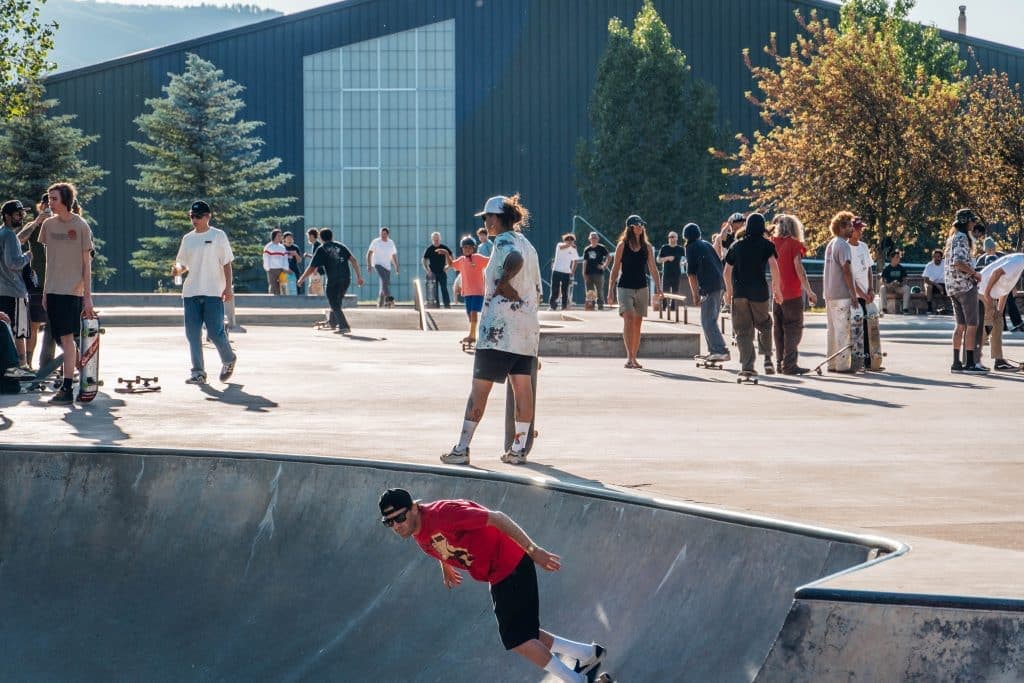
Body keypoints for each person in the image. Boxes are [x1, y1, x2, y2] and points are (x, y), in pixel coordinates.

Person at [379, 489, 607, 683]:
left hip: (510, 563)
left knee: (517, 639)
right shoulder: (417, 531)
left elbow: (497, 517)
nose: (397, 526)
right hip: (497, 572)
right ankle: (587, 653)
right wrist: (445, 565)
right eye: (389, 522)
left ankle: (577, 680)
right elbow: (438, 542)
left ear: (414, 508)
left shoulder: (444, 514)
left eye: (400, 519)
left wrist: (533, 550)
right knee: (524, 632)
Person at [442, 194, 541, 466]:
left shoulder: (504, 243)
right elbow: (537, 289)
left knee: (479, 390)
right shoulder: (528, 245)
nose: (486, 222)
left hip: (498, 330)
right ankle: (518, 449)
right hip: (526, 330)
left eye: (487, 218)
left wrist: (505, 282)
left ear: (496, 218)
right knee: (523, 387)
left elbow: (514, 260)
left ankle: (462, 448)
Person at [39, 182, 95, 404]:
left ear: (65, 200)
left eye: (54, 198)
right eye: (49, 198)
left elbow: (86, 264)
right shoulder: (48, 226)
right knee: (60, 338)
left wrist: (87, 296)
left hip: (72, 291)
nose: (50, 202)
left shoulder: (81, 226)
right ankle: (82, 366)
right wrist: (45, 291)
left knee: (66, 338)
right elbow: (48, 262)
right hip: (52, 290)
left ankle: (67, 388)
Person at [170, 200, 237, 385]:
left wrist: (228, 287)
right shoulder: (188, 239)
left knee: (215, 332)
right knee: (192, 334)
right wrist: (177, 270)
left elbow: (226, 263)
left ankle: (228, 358)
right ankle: (198, 372)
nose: (195, 219)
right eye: (192, 216)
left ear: (208, 217)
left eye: (198, 216)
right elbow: (182, 263)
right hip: (191, 291)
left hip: (213, 290)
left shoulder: (218, 235)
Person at [723, 213, 782, 376]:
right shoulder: (767, 245)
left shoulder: (737, 245)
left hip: (740, 293)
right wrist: (777, 289)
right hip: (760, 293)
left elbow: (726, 271)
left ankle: (747, 366)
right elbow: (774, 267)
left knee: (743, 330)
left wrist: (729, 292)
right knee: (764, 325)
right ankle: (768, 360)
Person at [607, 215, 661, 369]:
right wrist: (610, 290)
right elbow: (615, 268)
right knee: (628, 319)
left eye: (642, 225)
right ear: (631, 227)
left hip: (642, 288)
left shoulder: (647, 247)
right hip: (624, 287)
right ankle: (629, 357)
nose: (641, 227)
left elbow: (653, 268)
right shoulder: (622, 246)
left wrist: (658, 286)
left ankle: (634, 357)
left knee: (638, 323)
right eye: (638, 225)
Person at [770, 214, 817, 374]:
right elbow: (798, 267)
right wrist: (809, 291)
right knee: (793, 328)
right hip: (792, 294)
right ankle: (790, 364)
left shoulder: (772, 243)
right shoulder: (795, 244)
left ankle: (779, 363)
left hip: (777, 294)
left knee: (779, 329)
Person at [297, 228, 363, 334]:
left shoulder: (321, 248)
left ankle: (344, 326)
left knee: (333, 301)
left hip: (333, 280)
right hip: (346, 279)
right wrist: (359, 277)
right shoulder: (341, 246)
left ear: (321, 238)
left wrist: (302, 278)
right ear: (332, 237)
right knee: (337, 300)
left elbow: (311, 267)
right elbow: (353, 260)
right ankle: (333, 323)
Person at [944, 208, 985, 373]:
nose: (974, 223)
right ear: (966, 221)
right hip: (965, 286)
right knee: (972, 325)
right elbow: (958, 262)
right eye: (972, 220)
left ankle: (956, 363)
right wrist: (975, 274)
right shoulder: (962, 238)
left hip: (952, 287)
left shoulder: (952, 238)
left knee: (960, 325)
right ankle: (969, 363)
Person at [683, 223, 729, 362]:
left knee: (707, 321)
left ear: (685, 237)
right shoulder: (706, 244)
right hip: (720, 284)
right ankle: (713, 351)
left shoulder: (690, 247)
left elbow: (691, 273)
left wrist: (695, 295)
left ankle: (720, 350)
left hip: (710, 286)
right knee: (710, 320)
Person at [822, 211, 859, 373]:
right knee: (843, 330)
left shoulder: (831, 244)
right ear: (842, 227)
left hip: (829, 293)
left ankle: (831, 363)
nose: (852, 229)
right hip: (841, 294)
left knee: (832, 330)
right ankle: (843, 365)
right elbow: (846, 270)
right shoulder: (843, 245)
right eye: (850, 225)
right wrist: (853, 293)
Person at [0, 200, 32, 370]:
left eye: (23, 213)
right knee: (20, 330)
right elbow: (12, 263)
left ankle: (10, 365)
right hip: (15, 291)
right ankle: (21, 366)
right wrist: (27, 257)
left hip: (2, 290)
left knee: (6, 329)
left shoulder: (1, 233)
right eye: (18, 214)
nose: (21, 217)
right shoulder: (10, 235)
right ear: (7, 216)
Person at [979, 252, 1024, 371]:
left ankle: (999, 361)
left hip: (990, 293)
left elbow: (1005, 289)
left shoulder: (1020, 266)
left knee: (998, 323)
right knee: (988, 324)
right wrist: (988, 294)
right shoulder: (1019, 261)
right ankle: (973, 355)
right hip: (983, 291)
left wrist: (1000, 311)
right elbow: (996, 272)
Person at [446, 236, 490, 345]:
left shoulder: (478, 258)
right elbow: (451, 264)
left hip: (478, 292)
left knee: (473, 313)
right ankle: (473, 334)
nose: (467, 250)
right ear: (462, 249)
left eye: (469, 248)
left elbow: (490, 261)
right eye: (465, 248)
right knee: (469, 315)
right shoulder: (461, 260)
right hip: (467, 292)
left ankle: (472, 335)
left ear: (473, 248)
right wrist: (446, 254)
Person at [848, 217, 878, 369]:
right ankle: (858, 360)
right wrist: (862, 294)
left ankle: (870, 360)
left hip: (867, 293)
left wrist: (871, 289)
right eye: (858, 229)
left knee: (870, 328)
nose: (860, 232)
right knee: (858, 329)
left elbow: (869, 269)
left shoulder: (864, 247)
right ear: (850, 230)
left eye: (861, 229)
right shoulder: (846, 248)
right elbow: (850, 277)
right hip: (856, 295)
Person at [367, 226, 399, 307]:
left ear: (388, 234)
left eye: (384, 234)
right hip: (377, 264)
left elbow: (393, 255)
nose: (382, 235)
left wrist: (396, 267)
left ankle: (380, 303)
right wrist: (369, 265)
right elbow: (369, 253)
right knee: (384, 280)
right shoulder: (376, 242)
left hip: (387, 266)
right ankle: (388, 299)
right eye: (381, 233)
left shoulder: (391, 242)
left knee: (385, 284)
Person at [422, 231, 453, 309]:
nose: (436, 240)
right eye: (435, 239)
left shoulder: (444, 248)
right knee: (434, 291)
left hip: (442, 272)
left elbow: (451, 256)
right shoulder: (429, 248)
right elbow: (424, 259)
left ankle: (447, 305)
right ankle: (436, 306)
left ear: (440, 239)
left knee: (444, 289)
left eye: (437, 239)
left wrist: (448, 266)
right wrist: (427, 270)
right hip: (432, 273)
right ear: (432, 239)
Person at [657, 231, 685, 311]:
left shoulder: (680, 249)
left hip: (677, 273)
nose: (671, 238)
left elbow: (685, 259)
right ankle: (664, 306)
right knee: (665, 291)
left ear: (677, 238)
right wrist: (667, 258)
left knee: (675, 291)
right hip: (666, 273)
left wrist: (684, 263)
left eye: (673, 237)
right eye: (670, 237)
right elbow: (658, 259)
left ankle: (673, 307)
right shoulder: (664, 247)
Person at [549, 234, 579, 310]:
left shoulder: (573, 249)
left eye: (571, 240)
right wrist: (570, 245)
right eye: (567, 239)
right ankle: (553, 306)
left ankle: (564, 307)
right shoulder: (559, 245)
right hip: (557, 270)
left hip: (566, 272)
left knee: (565, 291)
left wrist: (572, 271)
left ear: (573, 241)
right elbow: (563, 247)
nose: (569, 241)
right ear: (564, 240)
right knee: (555, 289)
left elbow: (575, 260)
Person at [581, 232, 609, 311]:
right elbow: (585, 261)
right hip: (588, 273)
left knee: (599, 290)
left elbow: (609, 257)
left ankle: (600, 306)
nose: (594, 239)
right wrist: (583, 273)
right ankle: (591, 306)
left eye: (595, 238)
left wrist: (604, 266)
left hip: (598, 273)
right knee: (590, 290)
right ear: (589, 239)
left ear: (598, 239)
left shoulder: (601, 247)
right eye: (592, 238)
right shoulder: (587, 249)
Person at [262, 229, 288, 295]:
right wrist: (267, 268)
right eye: (279, 236)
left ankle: (281, 302)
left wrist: (285, 268)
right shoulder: (268, 247)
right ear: (274, 236)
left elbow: (285, 258)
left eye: (281, 236)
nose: (280, 237)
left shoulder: (282, 247)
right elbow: (266, 258)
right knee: (273, 286)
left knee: (282, 286)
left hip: (281, 270)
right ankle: (271, 302)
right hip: (272, 270)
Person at [922, 249, 947, 314]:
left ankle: (944, 308)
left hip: (944, 284)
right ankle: (929, 307)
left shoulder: (946, 263)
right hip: (932, 284)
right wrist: (936, 285)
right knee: (929, 287)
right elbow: (926, 280)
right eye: (934, 257)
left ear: (941, 257)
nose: (936, 258)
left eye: (938, 257)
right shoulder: (929, 265)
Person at [303, 227, 325, 296]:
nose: (308, 238)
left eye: (308, 236)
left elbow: (318, 259)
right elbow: (315, 257)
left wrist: (316, 269)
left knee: (316, 290)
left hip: (317, 271)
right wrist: (308, 255)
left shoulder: (317, 245)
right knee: (312, 289)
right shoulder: (315, 245)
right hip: (316, 270)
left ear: (312, 236)